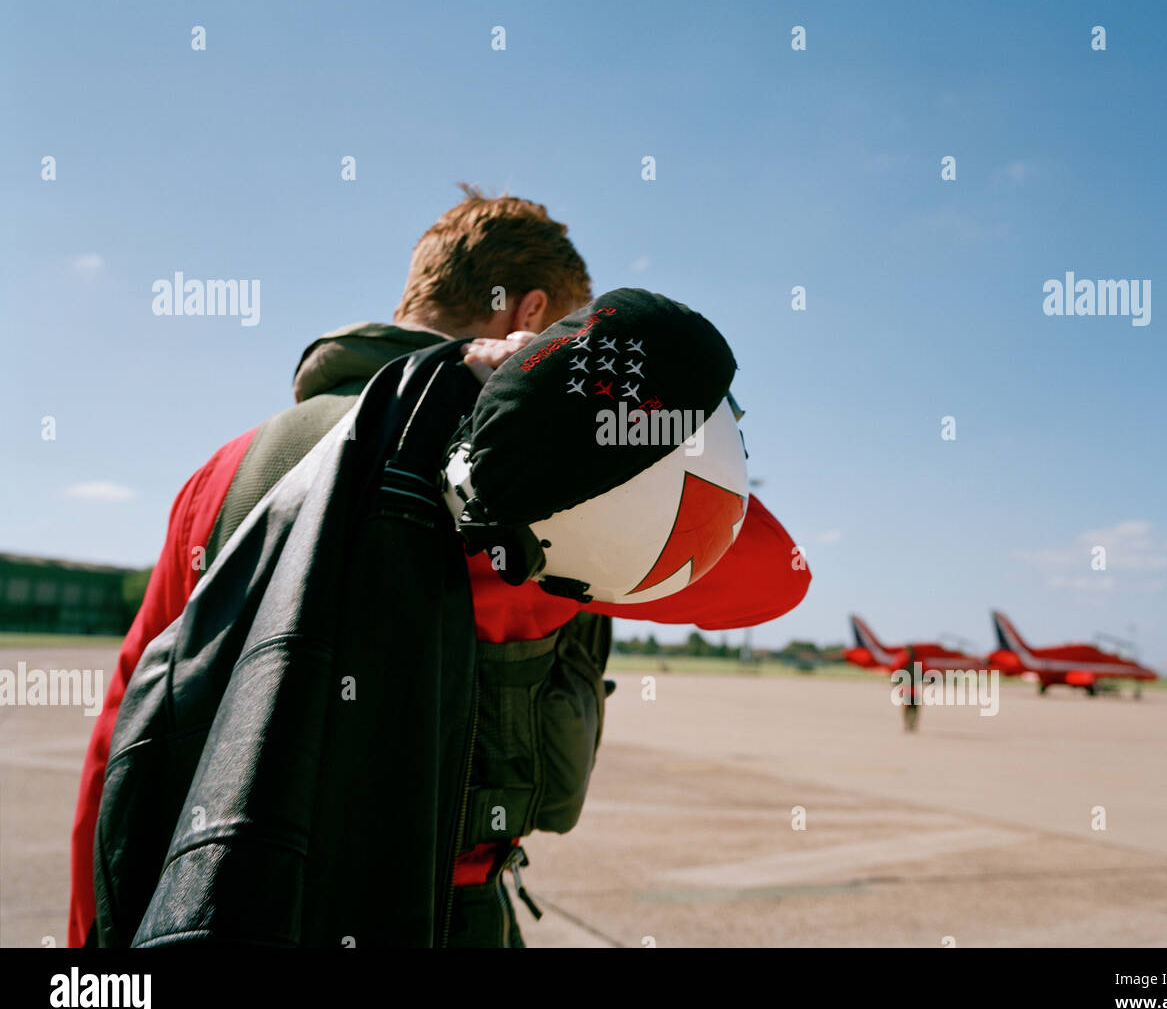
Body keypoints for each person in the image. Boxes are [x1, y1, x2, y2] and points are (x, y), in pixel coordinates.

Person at [70, 186, 809, 948]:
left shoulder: (227, 471)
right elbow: (772, 579)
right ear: (529, 316)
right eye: (566, 334)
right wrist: (579, 420)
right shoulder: (550, 493)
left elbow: (124, 737)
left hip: (229, 908)